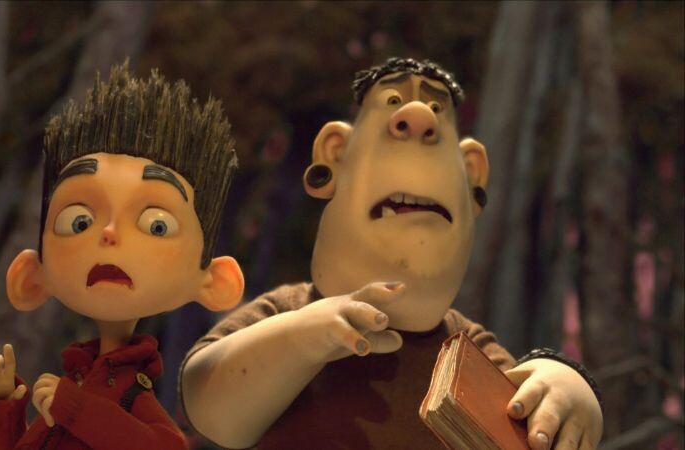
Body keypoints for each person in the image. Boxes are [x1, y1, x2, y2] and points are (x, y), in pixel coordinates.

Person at [180, 58, 603, 450]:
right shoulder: (289, 310)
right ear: (335, 155)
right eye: (394, 103)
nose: (418, 117)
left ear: (472, 175)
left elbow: (522, 411)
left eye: (436, 110)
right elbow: (208, 407)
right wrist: (302, 337)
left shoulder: (467, 350)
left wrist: (565, 383)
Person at [0, 62, 244, 450]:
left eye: (156, 224)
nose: (109, 233)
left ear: (216, 282)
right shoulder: (78, 380)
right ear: (30, 277)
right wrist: (3, 407)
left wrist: (75, 408)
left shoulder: (123, 393)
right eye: (79, 221)